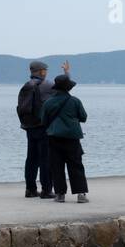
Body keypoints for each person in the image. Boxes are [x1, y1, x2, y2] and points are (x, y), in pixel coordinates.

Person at [40, 61, 89, 203]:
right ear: (68, 87)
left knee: (57, 166)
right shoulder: (75, 101)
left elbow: (43, 120)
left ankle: (60, 194)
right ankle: (81, 194)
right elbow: (83, 117)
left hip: (54, 137)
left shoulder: (48, 103)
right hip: (72, 138)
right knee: (76, 165)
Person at [17, 59, 54, 198]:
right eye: (46, 70)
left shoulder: (26, 85)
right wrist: (67, 74)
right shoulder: (47, 85)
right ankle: (46, 190)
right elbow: (65, 89)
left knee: (31, 159)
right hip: (42, 127)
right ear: (42, 71)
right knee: (45, 159)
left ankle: (30, 189)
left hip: (28, 126)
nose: (46, 73)